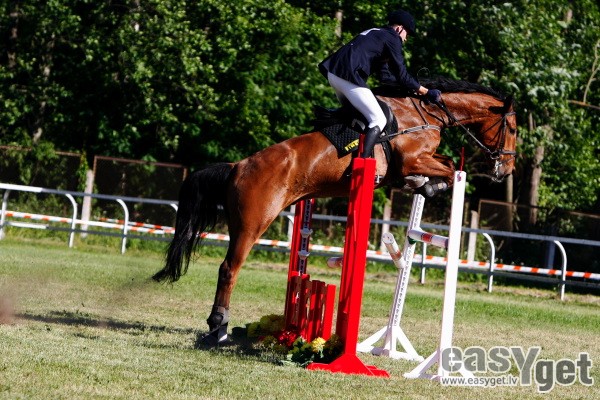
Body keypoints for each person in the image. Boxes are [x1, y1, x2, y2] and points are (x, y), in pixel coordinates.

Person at [319, 9, 441, 157]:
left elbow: (385, 77)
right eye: (407, 34)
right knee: (378, 119)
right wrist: (425, 91)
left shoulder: (378, 34)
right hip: (347, 76)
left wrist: (410, 88)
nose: (405, 39)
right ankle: (362, 163)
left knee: (356, 117)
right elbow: (401, 74)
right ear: (399, 28)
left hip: (333, 73)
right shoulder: (393, 38)